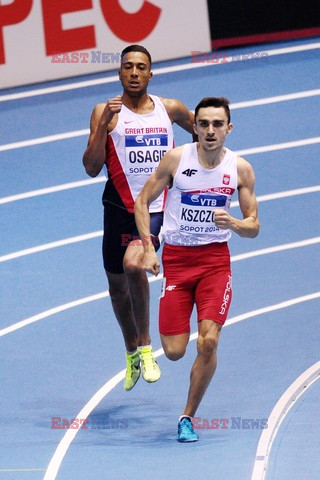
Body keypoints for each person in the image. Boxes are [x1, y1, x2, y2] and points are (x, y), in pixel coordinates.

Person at [134, 97, 260, 442]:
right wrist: (148, 247)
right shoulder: (176, 160)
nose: (210, 130)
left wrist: (233, 222)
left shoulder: (240, 169)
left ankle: (187, 416)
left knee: (207, 342)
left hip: (215, 263)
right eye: (203, 123)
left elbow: (254, 226)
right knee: (174, 351)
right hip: (176, 261)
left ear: (228, 129)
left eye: (217, 124)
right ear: (194, 127)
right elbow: (142, 201)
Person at [82, 45, 195, 392]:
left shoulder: (170, 109)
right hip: (116, 210)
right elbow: (90, 167)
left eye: (140, 67)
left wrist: (201, 170)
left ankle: (146, 348)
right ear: (119, 73)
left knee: (134, 264)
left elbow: (203, 133)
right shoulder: (105, 112)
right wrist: (102, 126)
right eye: (127, 66)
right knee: (117, 287)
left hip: (157, 209)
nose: (133, 72)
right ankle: (131, 350)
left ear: (150, 74)